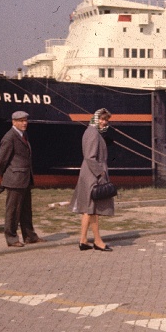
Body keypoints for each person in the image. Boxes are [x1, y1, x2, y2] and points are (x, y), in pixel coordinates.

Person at [69, 108, 115, 252]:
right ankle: (98, 241)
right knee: (93, 209)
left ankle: (83, 240)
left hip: (89, 174)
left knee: (88, 210)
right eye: (101, 119)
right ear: (96, 118)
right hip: (93, 175)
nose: (104, 122)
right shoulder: (93, 133)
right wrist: (100, 174)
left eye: (106, 120)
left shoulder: (93, 132)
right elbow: (90, 157)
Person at [0, 110, 45, 247]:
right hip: (15, 179)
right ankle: (11, 238)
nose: (25, 123)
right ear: (14, 122)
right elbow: (1, 161)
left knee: (26, 210)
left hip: (24, 178)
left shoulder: (23, 135)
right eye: (21, 121)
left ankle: (30, 236)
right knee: (12, 211)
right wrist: (6, 176)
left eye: (26, 120)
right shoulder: (9, 137)